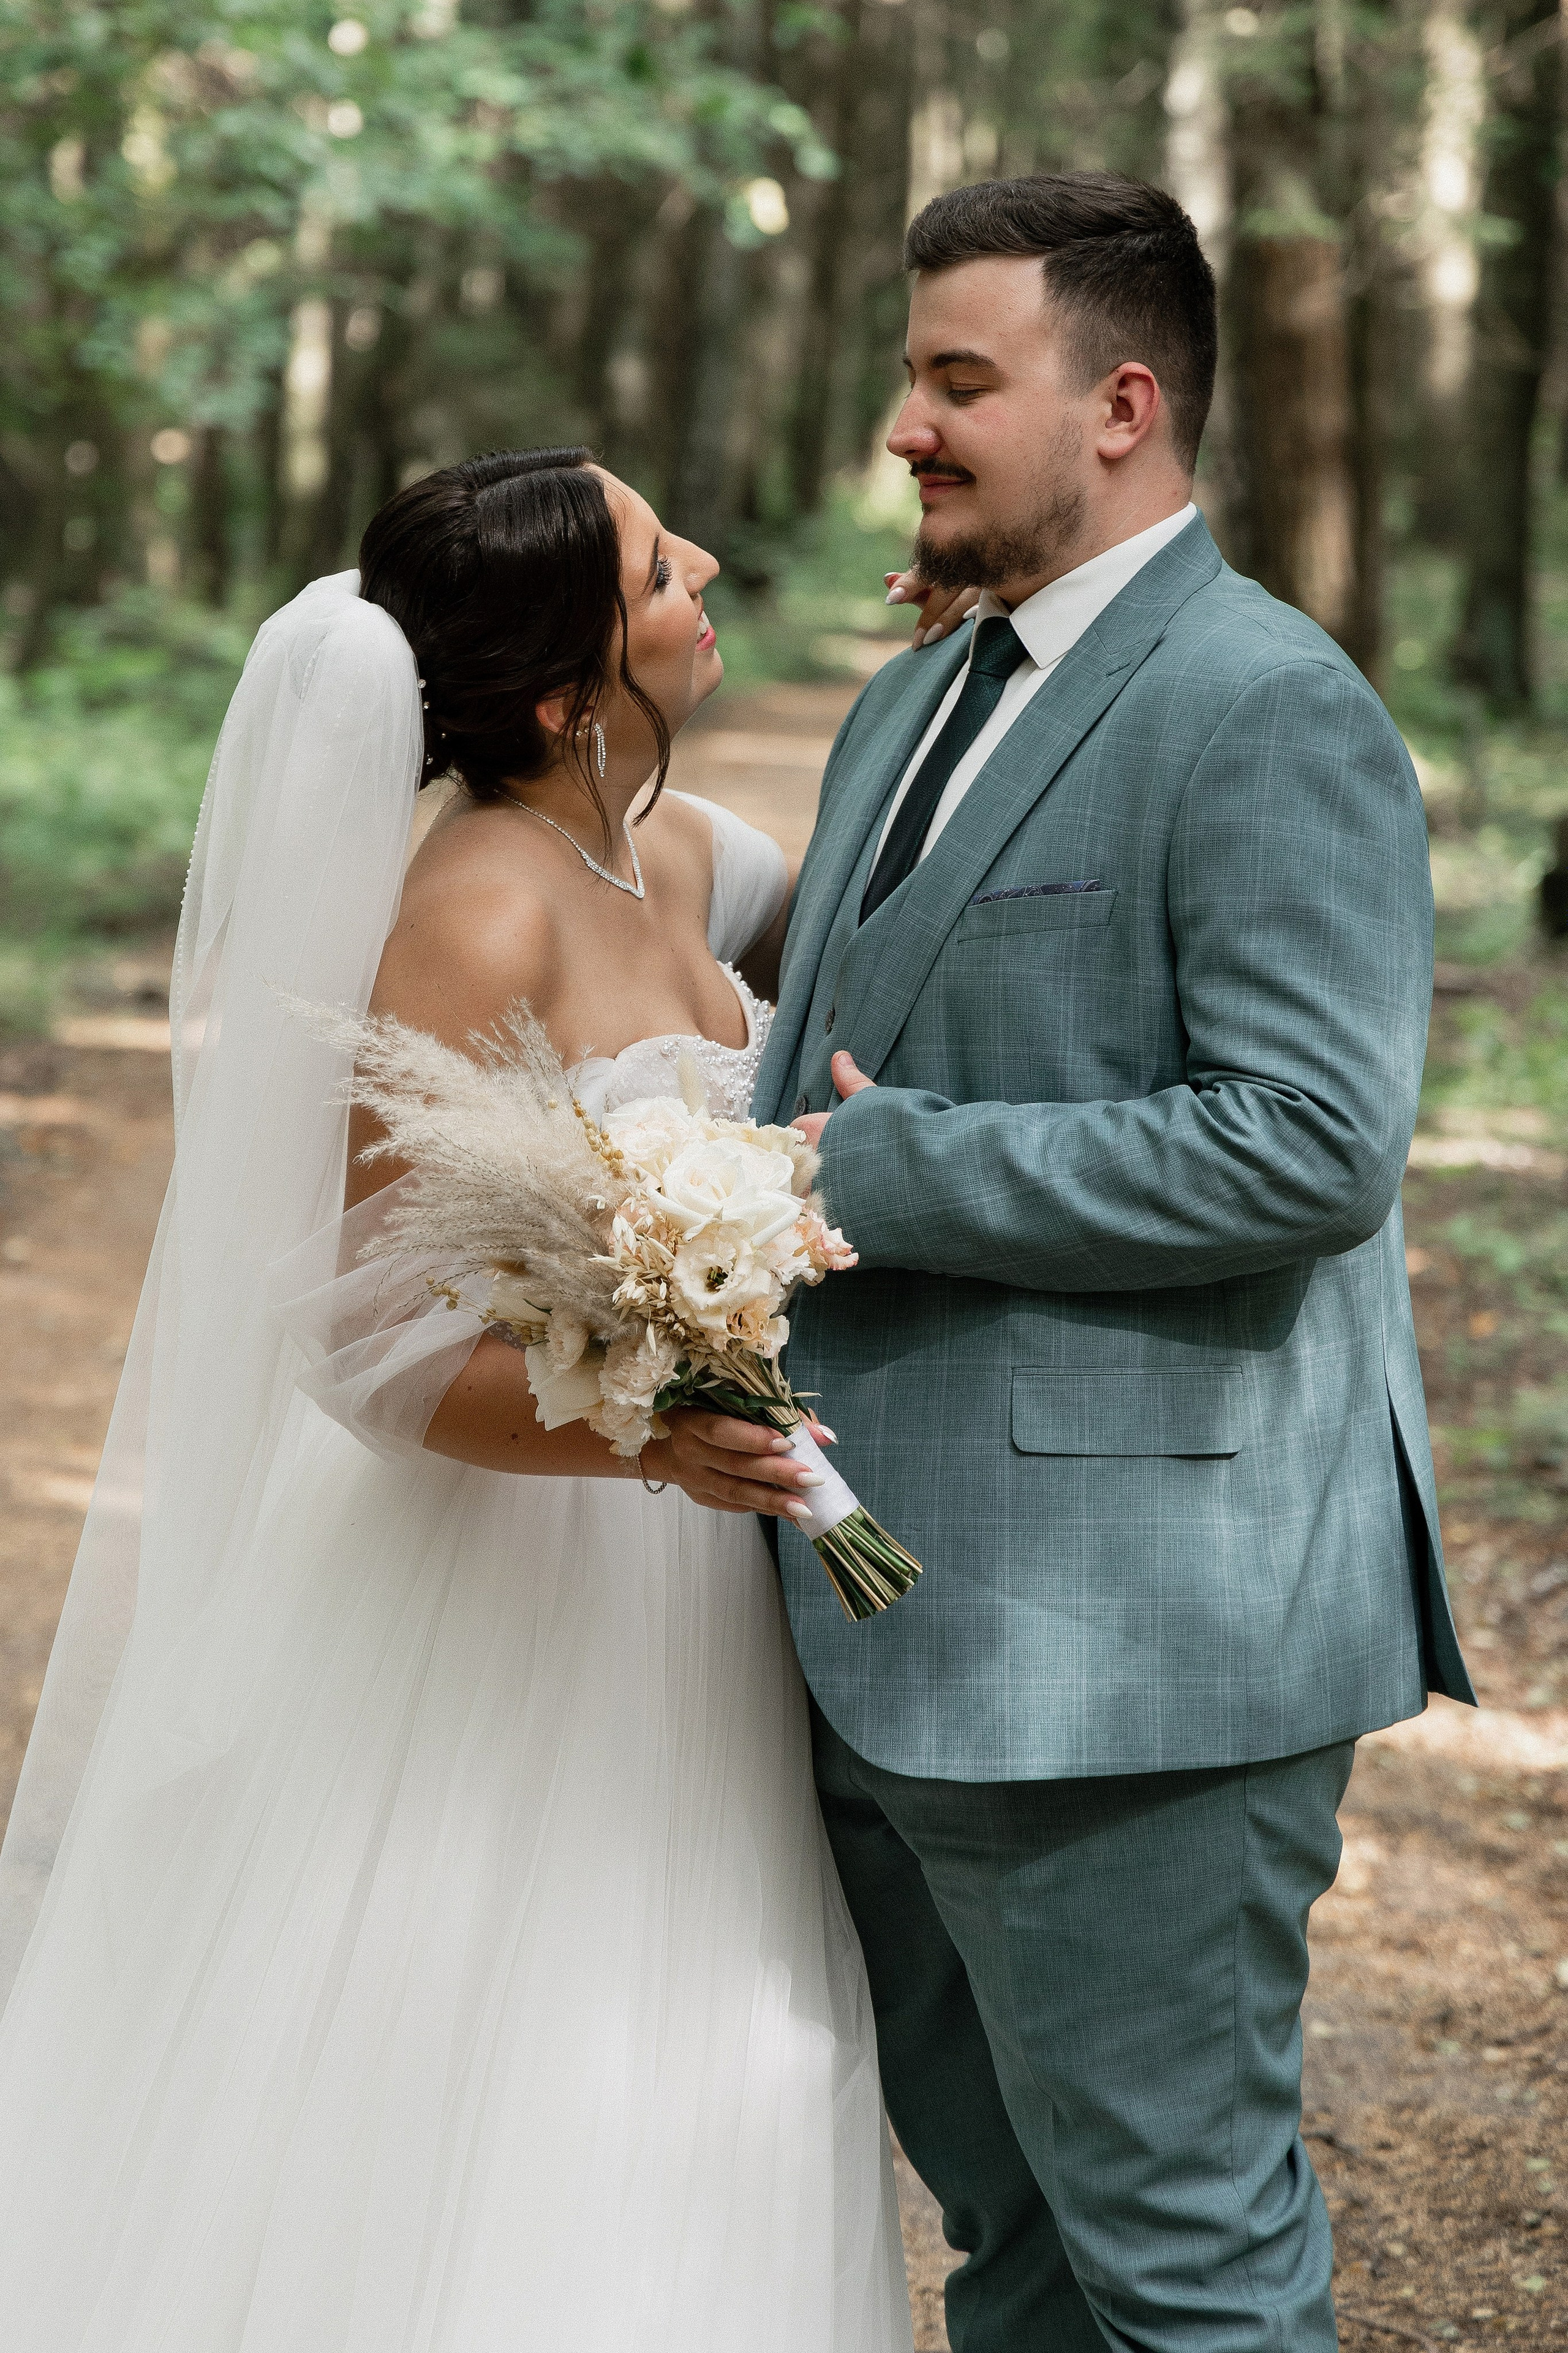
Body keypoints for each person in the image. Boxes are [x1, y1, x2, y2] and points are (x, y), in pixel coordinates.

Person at [0, 450, 913, 2351]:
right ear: (568, 695)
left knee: (719, 2021)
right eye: (667, 567)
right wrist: (650, 1425)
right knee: (495, 2035)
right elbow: (357, 1340)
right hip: (526, 1574)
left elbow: (859, 931)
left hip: (688, 1582)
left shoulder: (667, 843)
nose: (711, 565)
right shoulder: (471, 915)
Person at [755, 171, 1475, 2352]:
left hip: (1136, 1655)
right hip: (886, 1617)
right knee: (1026, 2255)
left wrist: (891, 1170)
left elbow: (1313, 1140)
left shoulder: (1269, 705)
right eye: (914, 376)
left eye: (961, 379)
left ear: (1124, 403)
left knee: (1185, 2271)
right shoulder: (912, 696)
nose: (910, 423)